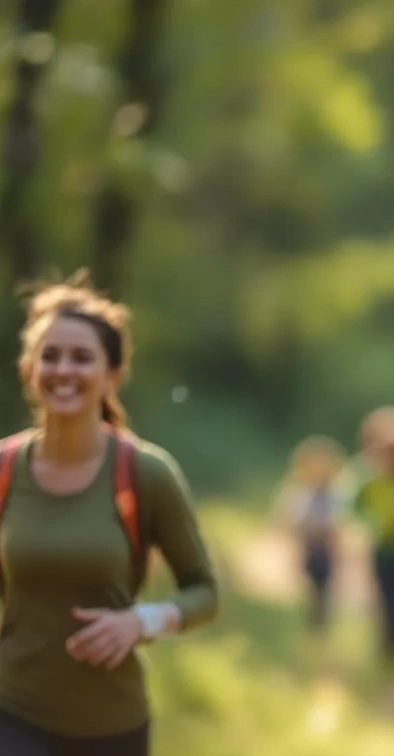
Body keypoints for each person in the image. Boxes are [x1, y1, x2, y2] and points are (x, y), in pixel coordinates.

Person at [0, 272, 219, 755]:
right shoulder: (5, 469)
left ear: (112, 375)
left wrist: (141, 621)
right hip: (12, 713)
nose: (64, 370)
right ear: (28, 368)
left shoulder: (144, 473)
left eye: (82, 358)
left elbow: (205, 591)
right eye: (50, 355)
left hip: (111, 728)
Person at [352, 406, 394, 666]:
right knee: (383, 598)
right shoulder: (367, 477)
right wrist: (371, 525)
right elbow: (356, 508)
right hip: (380, 548)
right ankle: (386, 650)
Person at [273, 434, 349, 637]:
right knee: (311, 588)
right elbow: (290, 521)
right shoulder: (299, 492)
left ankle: (321, 626)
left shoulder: (335, 493)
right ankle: (314, 626)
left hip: (326, 549)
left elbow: (340, 523)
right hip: (310, 547)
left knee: (324, 588)